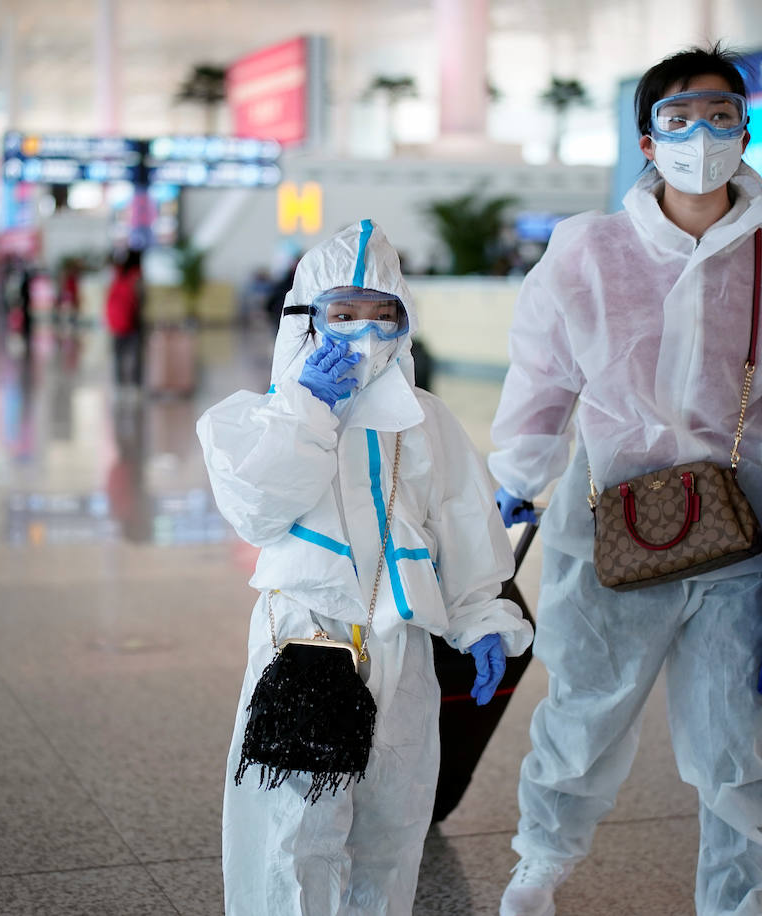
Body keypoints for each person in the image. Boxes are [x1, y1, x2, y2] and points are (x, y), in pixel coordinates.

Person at [490, 46, 762, 916]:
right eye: (678, 118)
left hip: (739, 518)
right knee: (584, 710)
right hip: (611, 513)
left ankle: (738, 901)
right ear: (647, 141)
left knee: (738, 735)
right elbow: (543, 375)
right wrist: (516, 476)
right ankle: (539, 869)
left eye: (721, 115)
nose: (702, 133)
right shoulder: (591, 250)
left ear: (746, 130)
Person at [197, 219, 533, 916]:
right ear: (304, 320)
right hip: (304, 640)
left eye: (384, 316)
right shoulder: (255, 421)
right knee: (293, 833)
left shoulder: (427, 423)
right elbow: (260, 511)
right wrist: (307, 412)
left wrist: (482, 615)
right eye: (343, 314)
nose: (365, 333)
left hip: (401, 649)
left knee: (394, 825)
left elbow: (464, 526)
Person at [104, 249, 146, 394]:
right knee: (135, 352)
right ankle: (135, 382)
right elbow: (141, 299)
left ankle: (119, 381)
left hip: (117, 322)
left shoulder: (117, 274)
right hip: (132, 321)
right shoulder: (137, 276)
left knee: (118, 352)